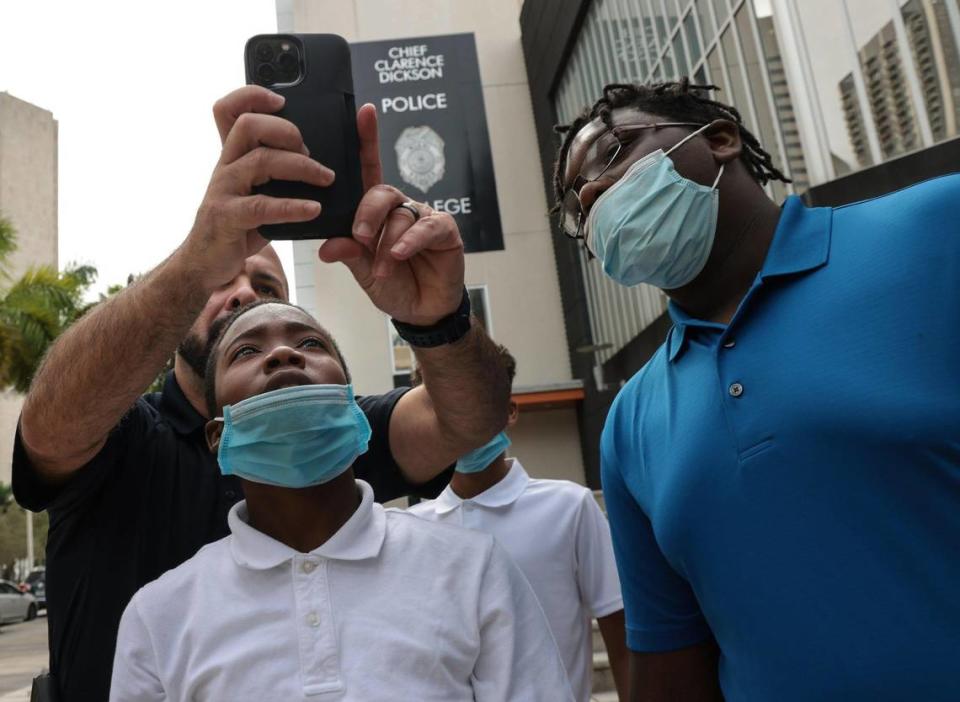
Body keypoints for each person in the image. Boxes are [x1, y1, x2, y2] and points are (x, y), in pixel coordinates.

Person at [12, 86, 510, 701]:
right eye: (222, 280)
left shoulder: (334, 433)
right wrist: (196, 260)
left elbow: (469, 417)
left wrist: (440, 319)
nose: (245, 294)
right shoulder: (126, 439)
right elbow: (52, 426)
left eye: (268, 285)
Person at [553, 79, 960, 701]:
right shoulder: (630, 422)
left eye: (614, 152)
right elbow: (671, 666)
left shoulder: (937, 231)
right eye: (577, 208)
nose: (590, 193)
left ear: (720, 139)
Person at [109, 299, 574, 702]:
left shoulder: (473, 569)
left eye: (311, 344)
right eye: (247, 351)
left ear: (354, 412)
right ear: (218, 437)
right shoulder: (157, 617)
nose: (284, 353)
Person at [408, 348, 629, 701]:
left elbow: (623, 638)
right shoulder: (412, 531)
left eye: (476, 400)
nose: (462, 417)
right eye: (443, 404)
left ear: (510, 410)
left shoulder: (569, 507)